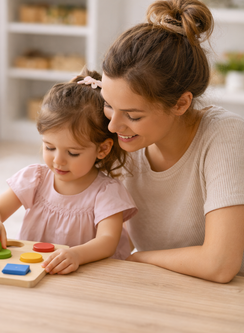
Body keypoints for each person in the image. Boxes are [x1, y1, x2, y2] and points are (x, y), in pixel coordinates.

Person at [100, 0, 244, 282]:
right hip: (164, 284)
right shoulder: (127, 139)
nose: (113, 125)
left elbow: (220, 264)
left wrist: (140, 258)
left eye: (132, 115)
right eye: (107, 105)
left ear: (181, 104)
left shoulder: (225, 136)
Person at [0, 70, 138, 275]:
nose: (58, 160)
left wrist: (77, 255)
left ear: (102, 149)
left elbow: (107, 241)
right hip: (36, 269)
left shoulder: (107, 192)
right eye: (49, 147)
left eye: (72, 152)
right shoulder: (35, 179)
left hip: (88, 273)